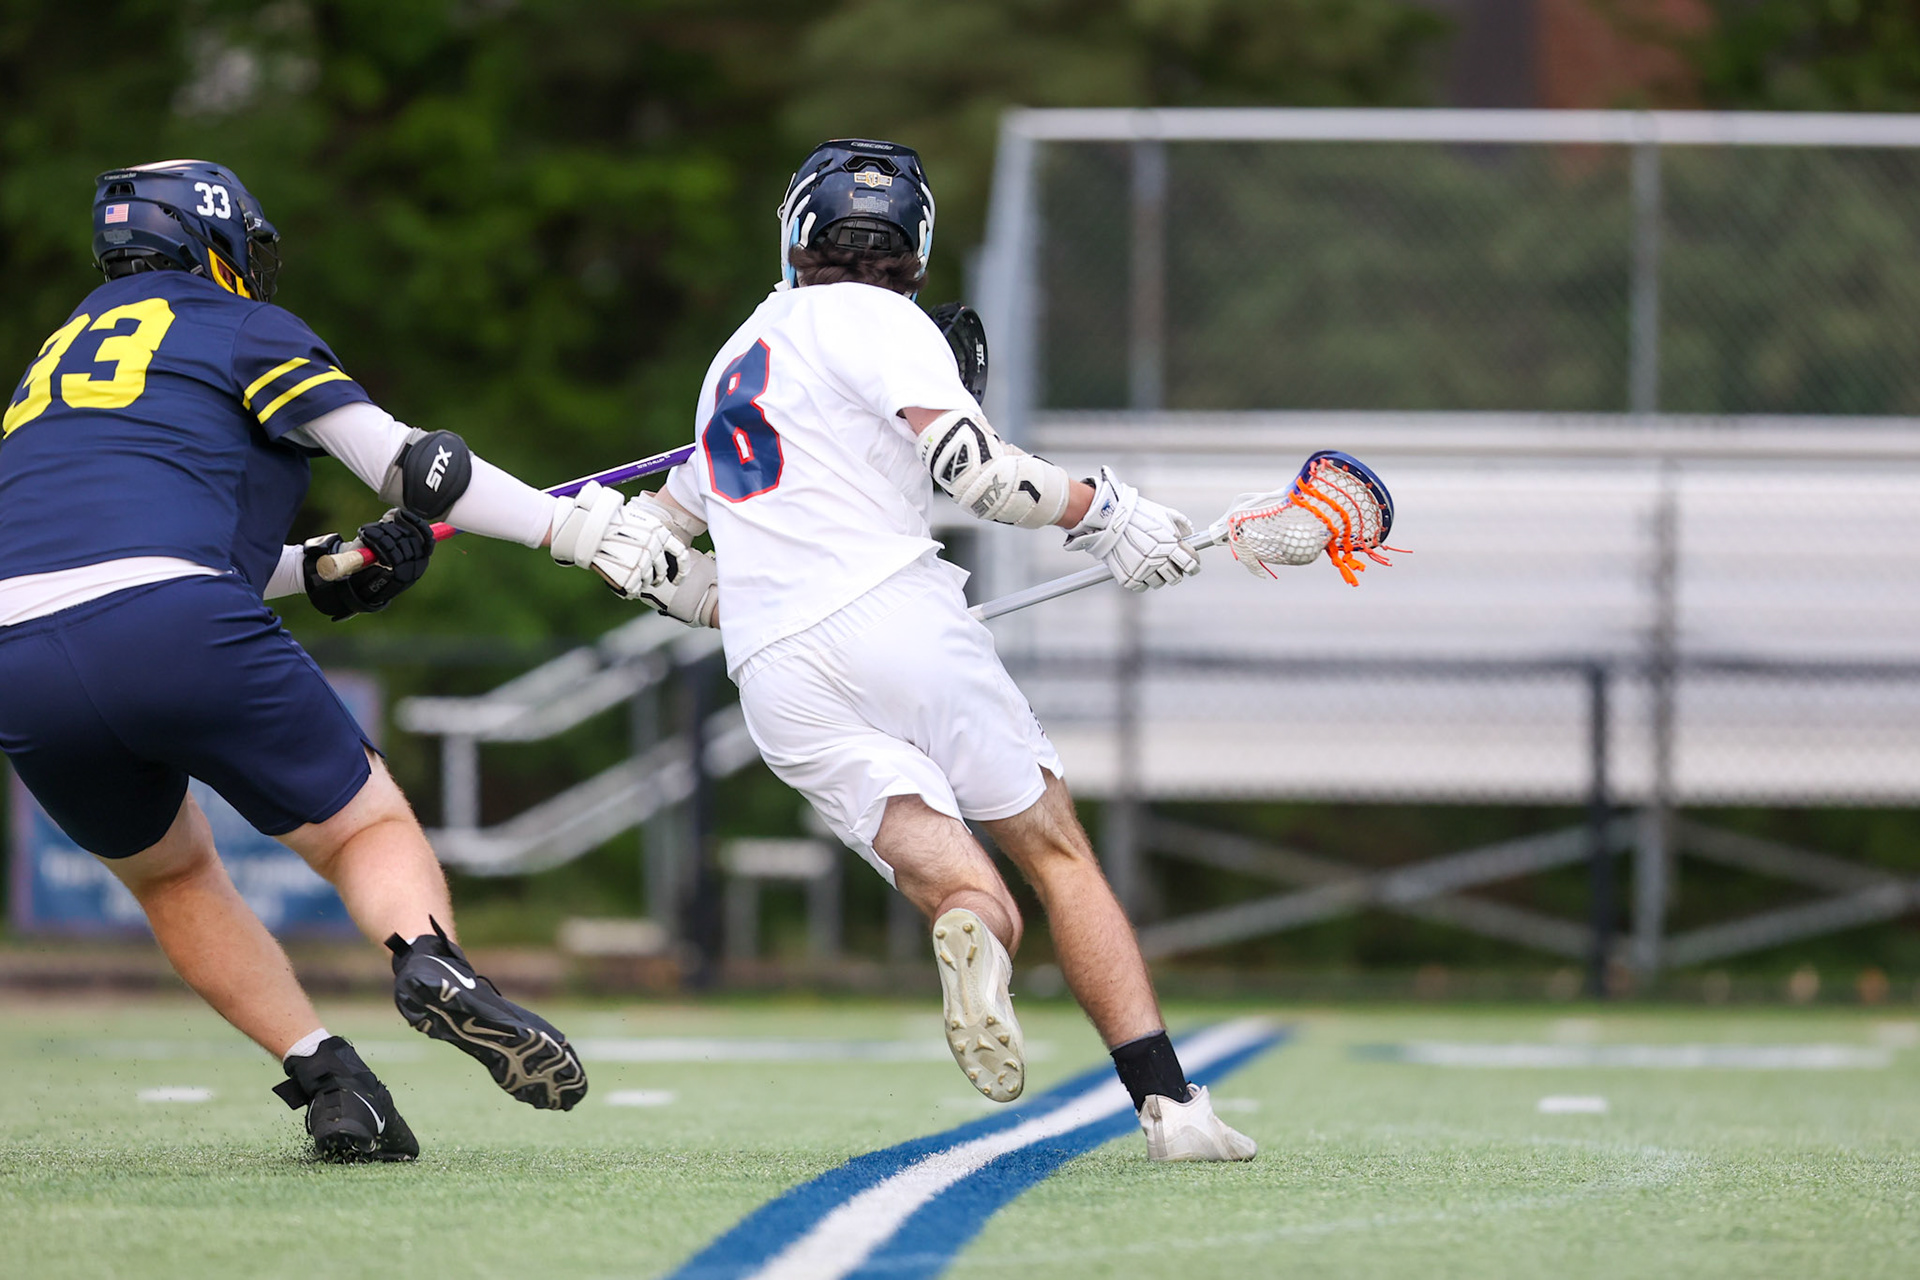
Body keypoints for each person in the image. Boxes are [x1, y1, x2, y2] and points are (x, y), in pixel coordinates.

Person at [0, 160, 676, 1161]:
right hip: (172, 616)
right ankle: (431, 961)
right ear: (216, 242)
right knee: (364, 827)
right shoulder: (235, 325)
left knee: (174, 877)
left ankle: (327, 1076)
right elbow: (415, 466)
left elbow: (115, 545)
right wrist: (569, 531)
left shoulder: (50, 370)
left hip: (19, 655)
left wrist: (325, 565)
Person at [623, 139, 1256, 1162]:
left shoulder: (733, 359)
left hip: (776, 669)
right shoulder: (889, 323)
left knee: (973, 897)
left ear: (795, 230)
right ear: (912, 244)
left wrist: (732, 608)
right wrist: (1106, 511)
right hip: (898, 619)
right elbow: (978, 474)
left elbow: (643, 558)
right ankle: (1172, 1108)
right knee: (1054, 854)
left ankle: (974, 940)